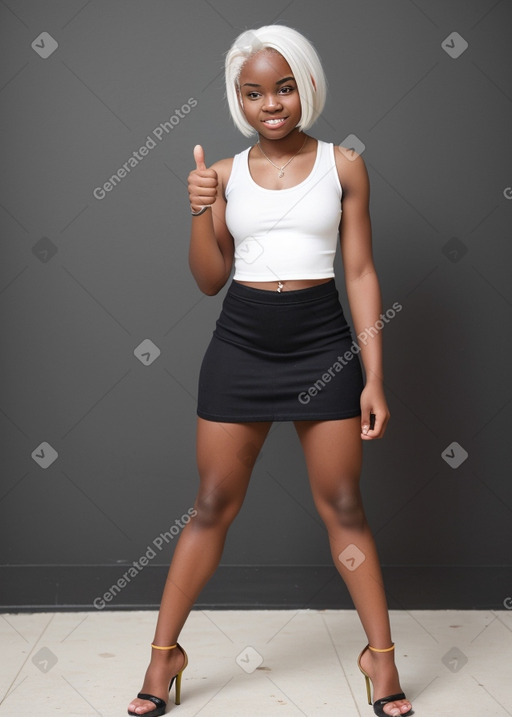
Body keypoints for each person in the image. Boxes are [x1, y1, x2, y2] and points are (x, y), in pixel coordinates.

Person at [128, 24, 412, 717]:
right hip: (242, 348)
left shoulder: (344, 165)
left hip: (324, 344)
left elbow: (362, 270)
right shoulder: (221, 173)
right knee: (211, 506)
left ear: (306, 86)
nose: (271, 103)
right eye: (254, 93)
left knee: (343, 506)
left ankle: (381, 660)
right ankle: (164, 656)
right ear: (240, 100)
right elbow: (208, 278)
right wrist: (200, 209)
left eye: (283, 87)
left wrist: (374, 375)